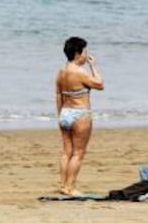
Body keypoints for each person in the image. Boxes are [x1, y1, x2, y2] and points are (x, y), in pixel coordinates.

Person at [55, 37, 104, 196]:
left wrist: (60, 114)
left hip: (65, 113)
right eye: (85, 52)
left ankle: (63, 185)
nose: (86, 55)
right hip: (80, 114)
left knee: (66, 152)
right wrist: (93, 65)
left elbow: (58, 95)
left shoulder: (61, 72)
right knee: (78, 153)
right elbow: (100, 84)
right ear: (77, 53)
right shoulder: (80, 72)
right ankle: (70, 187)